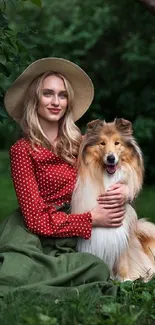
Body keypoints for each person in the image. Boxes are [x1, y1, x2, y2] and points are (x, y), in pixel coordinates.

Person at [0, 57, 128, 299]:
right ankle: (36, 277)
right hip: (32, 233)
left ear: (68, 101)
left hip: (74, 229)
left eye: (62, 95)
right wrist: (90, 220)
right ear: (35, 99)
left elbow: (115, 171)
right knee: (14, 274)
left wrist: (124, 191)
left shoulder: (81, 143)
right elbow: (36, 220)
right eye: (48, 94)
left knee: (96, 267)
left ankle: (52, 276)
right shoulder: (22, 150)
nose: (56, 102)